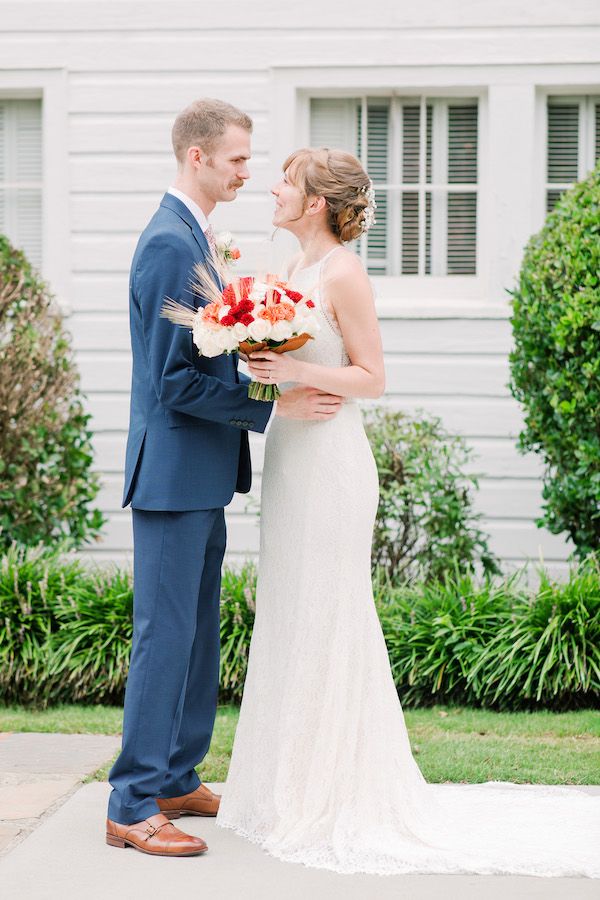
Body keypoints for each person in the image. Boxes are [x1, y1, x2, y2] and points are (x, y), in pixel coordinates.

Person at [216, 147, 600, 877]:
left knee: (330, 611)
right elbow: (284, 367)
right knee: (292, 610)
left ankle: (334, 792)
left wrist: (294, 369)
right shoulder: (290, 274)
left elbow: (372, 376)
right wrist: (258, 364)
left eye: (287, 182)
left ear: (318, 202)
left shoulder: (342, 274)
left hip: (332, 467)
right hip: (292, 460)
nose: (272, 188)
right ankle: (282, 786)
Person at [106, 104, 343, 858]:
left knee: (198, 635)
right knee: (164, 638)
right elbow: (174, 383)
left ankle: (177, 776)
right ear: (200, 156)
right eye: (239, 160)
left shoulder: (198, 239)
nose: (248, 172)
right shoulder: (171, 245)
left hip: (203, 474)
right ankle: (131, 802)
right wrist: (273, 399)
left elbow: (204, 358)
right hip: (173, 475)